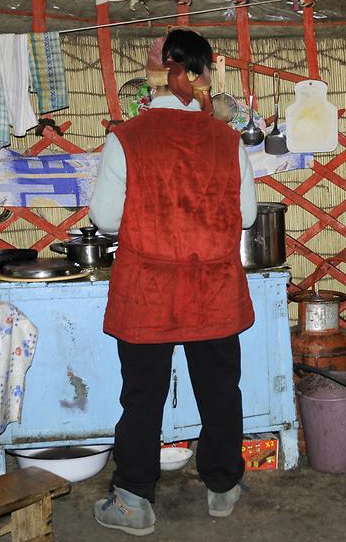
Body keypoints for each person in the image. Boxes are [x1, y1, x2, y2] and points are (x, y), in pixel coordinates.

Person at [89, 29, 257, 537]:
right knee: (220, 390)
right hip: (212, 287)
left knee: (142, 395)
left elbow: (104, 218)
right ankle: (224, 488)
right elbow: (246, 216)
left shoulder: (127, 138)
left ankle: (134, 501)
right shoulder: (226, 140)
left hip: (148, 289)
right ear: (201, 75)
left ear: (154, 76)